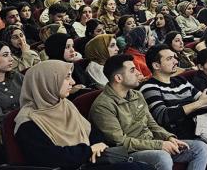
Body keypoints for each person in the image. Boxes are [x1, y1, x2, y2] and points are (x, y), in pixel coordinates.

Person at [14, 60, 145, 170]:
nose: (72, 82)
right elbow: (50, 157)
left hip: (90, 162)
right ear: (47, 82)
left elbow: (93, 134)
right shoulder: (28, 120)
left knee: (142, 167)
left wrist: (98, 146)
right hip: (71, 166)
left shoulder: (66, 105)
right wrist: (89, 150)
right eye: (66, 77)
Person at [89, 54, 207, 170]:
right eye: (132, 70)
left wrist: (168, 137)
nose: (138, 73)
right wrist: (159, 145)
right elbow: (120, 142)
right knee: (162, 157)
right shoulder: (103, 106)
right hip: (127, 153)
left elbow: (152, 124)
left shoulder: (137, 95)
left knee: (200, 148)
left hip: (150, 143)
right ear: (118, 78)